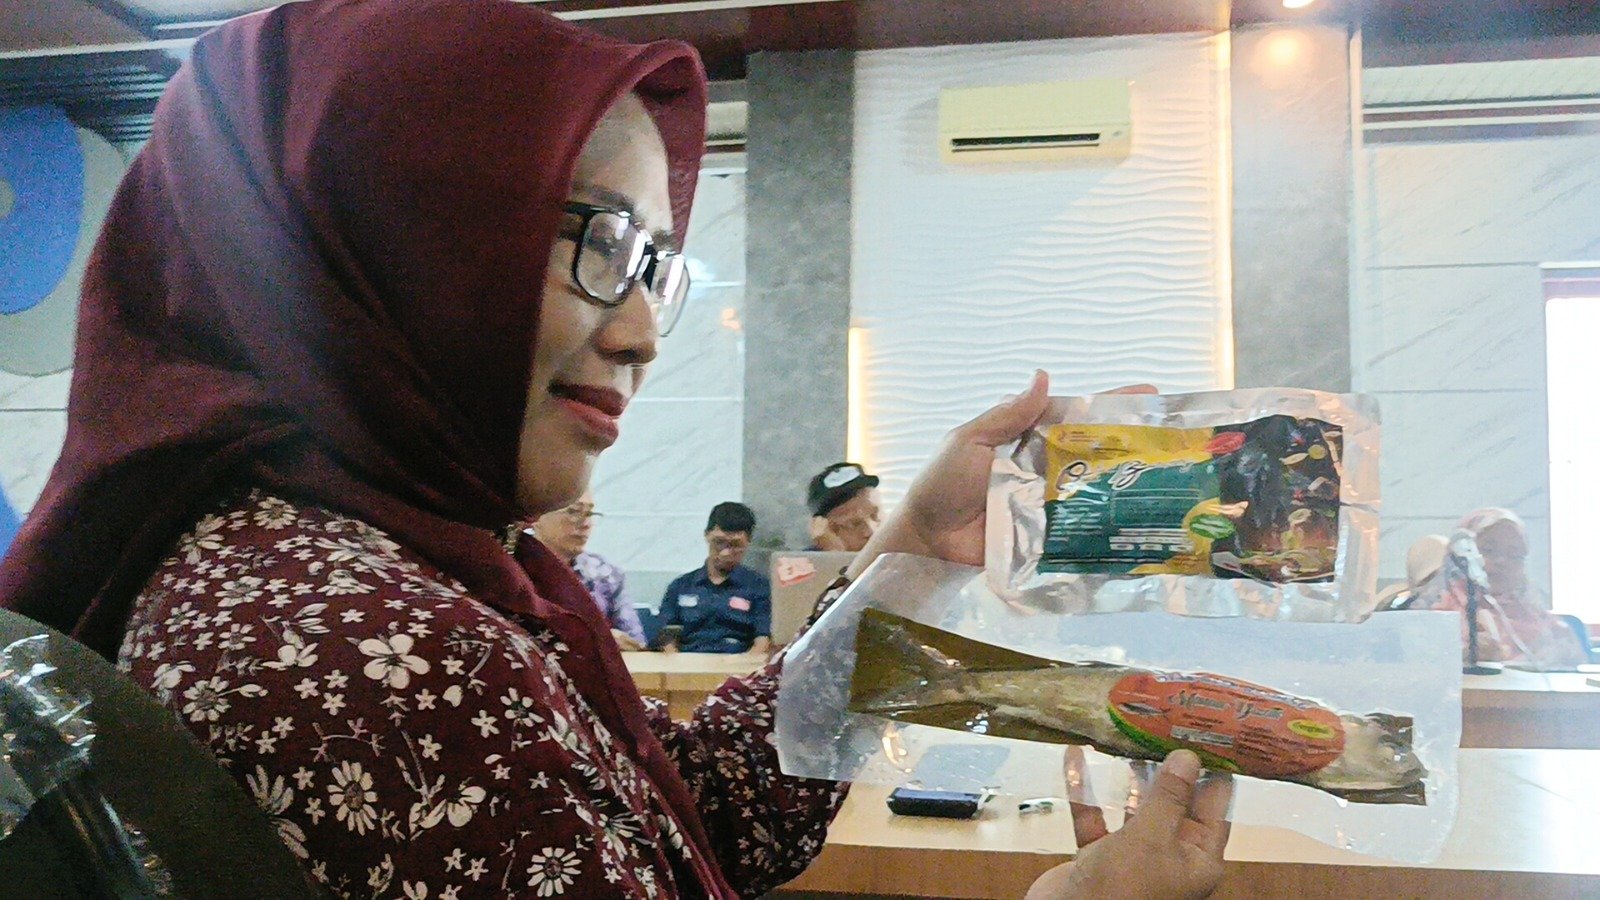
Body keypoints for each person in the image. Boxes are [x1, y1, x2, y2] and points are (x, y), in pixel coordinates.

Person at [0, 0, 1231, 895]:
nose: (642, 332)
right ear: (387, 234)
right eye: (592, 240)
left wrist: (913, 547)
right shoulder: (369, 653)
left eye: (654, 264)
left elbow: (690, 818)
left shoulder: (341, 567)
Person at [1413, 508, 1589, 668]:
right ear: (1459, 554)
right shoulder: (1434, 613)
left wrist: (1559, 657)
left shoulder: (1545, 625)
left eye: (1515, 555)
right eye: (1488, 550)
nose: (1502, 562)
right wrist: (1465, 655)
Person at [531, 492, 647, 650]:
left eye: (590, 514)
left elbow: (635, 642)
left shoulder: (606, 574)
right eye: (573, 512)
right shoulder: (513, 569)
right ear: (536, 518)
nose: (585, 524)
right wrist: (596, 639)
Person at [657, 502, 772, 655]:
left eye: (735, 545)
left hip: (738, 661)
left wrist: (746, 665)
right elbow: (666, 638)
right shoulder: (680, 586)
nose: (725, 552)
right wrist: (678, 664)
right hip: (688, 661)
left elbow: (763, 640)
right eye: (719, 542)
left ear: (748, 541)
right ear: (706, 535)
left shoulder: (759, 587)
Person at [807, 461, 882, 552]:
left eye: (875, 516)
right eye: (854, 524)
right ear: (828, 529)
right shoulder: (804, 560)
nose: (871, 531)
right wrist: (833, 552)